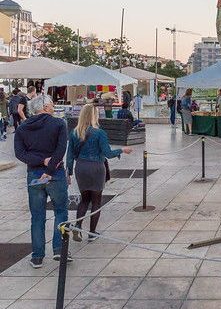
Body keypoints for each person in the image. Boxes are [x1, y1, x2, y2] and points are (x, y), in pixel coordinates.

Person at [13, 94, 70, 268]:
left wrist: (40, 162)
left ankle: (37, 257)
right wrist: (50, 167)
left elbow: (20, 154)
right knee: (61, 211)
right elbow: (61, 150)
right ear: (45, 107)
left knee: (37, 217)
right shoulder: (59, 124)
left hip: (34, 175)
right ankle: (59, 250)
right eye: (52, 104)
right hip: (55, 175)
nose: (53, 107)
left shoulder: (22, 128)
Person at [67, 104, 132, 242]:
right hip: (96, 167)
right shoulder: (100, 133)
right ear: (94, 116)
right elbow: (107, 153)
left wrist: (68, 172)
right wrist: (122, 150)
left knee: (84, 199)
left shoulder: (74, 133)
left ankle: (78, 226)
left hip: (81, 168)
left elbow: (70, 154)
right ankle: (92, 233)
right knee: (96, 201)